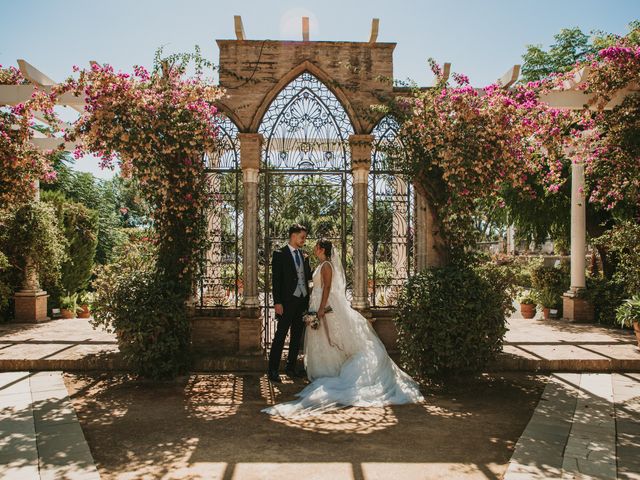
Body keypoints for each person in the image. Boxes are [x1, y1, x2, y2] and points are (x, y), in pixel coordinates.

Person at [263, 239, 424, 417]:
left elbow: (328, 287)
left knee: (329, 336)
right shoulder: (317, 262)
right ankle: (295, 368)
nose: (312, 248)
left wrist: (322, 306)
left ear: (322, 249)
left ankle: (326, 369)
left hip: (322, 305)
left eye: (316, 246)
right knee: (321, 337)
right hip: (311, 303)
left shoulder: (326, 265)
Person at [267, 224, 312, 383]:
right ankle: (272, 370)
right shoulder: (279, 254)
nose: (304, 240)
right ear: (293, 236)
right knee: (280, 336)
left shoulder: (304, 255)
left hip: (301, 301)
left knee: (296, 336)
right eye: (302, 237)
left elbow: (307, 279)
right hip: (286, 302)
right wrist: (277, 302)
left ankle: (291, 367)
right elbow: (276, 281)